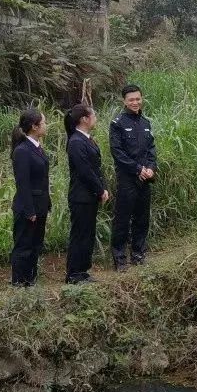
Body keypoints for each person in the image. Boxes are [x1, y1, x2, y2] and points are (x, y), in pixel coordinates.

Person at [109, 84, 158, 271]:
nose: (135, 102)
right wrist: (138, 168)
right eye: (131, 100)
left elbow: (151, 150)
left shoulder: (146, 123)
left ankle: (138, 254)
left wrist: (151, 168)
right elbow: (117, 152)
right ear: (124, 101)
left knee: (142, 218)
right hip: (128, 178)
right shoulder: (117, 123)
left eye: (138, 99)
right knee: (123, 218)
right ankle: (120, 258)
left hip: (146, 178)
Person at [64, 103, 110, 284]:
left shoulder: (87, 139)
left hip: (90, 195)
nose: (96, 118)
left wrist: (103, 188)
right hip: (81, 196)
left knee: (88, 234)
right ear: (84, 119)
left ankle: (83, 270)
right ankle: (73, 273)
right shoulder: (75, 141)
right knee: (80, 234)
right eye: (94, 115)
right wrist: (99, 189)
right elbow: (84, 171)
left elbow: (96, 168)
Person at [10, 109, 50, 287]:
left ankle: (30, 279)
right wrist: (29, 210)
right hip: (29, 207)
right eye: (44, 122)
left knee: (35, 245)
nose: (46, 126)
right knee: (24, 245)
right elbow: (23, 183)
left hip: (40, 204)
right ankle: (19, 281)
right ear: (34, 127)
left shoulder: (36, 147)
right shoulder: (22, 151)